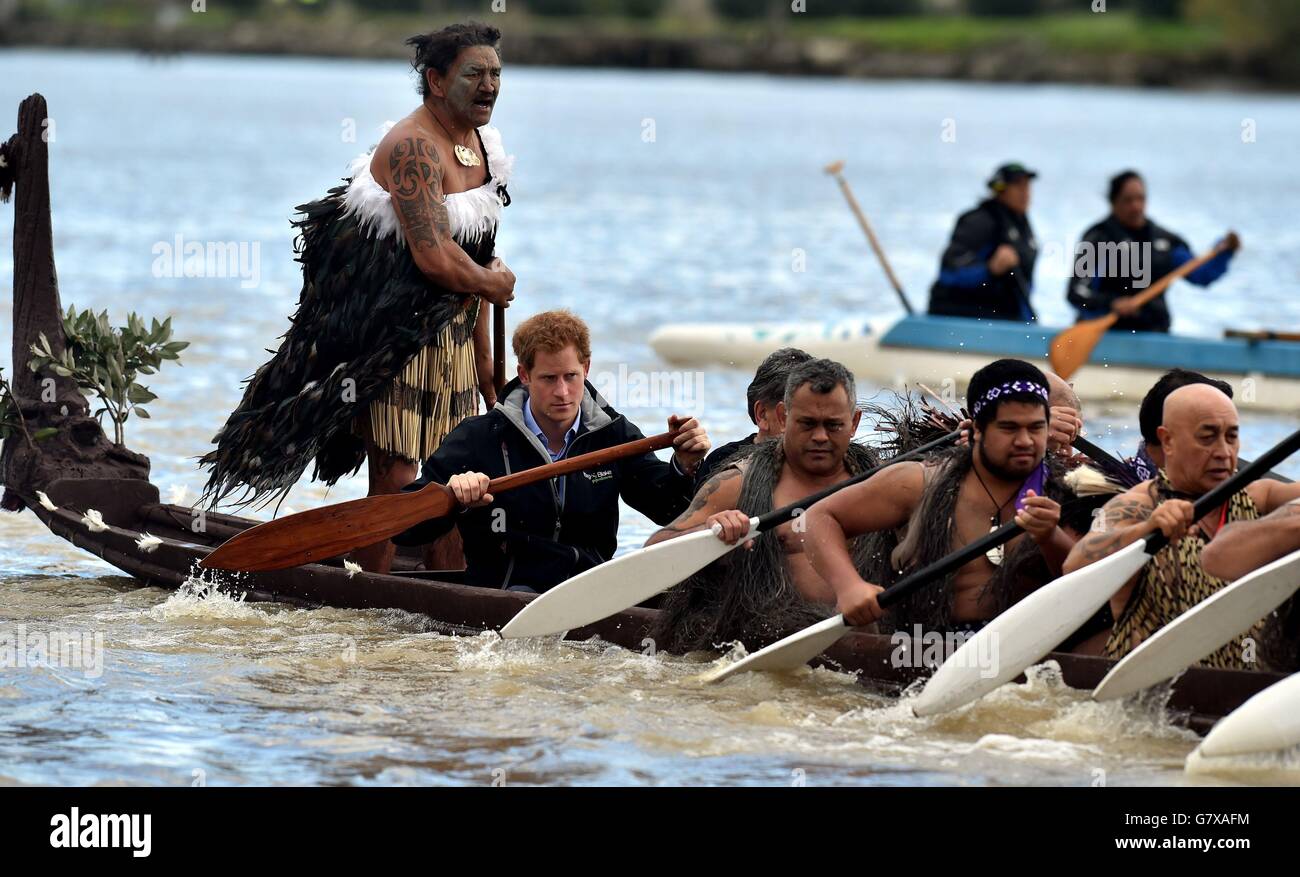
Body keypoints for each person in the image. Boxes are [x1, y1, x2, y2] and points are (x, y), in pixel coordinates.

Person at [200, 22, 517, 574]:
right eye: (475, 74)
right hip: (390, 335)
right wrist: (494, 284)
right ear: (436, 81)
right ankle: (374, 591)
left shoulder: (483, 143)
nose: (489, 85)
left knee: (455, 470)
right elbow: (434, 256)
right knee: (397, 469)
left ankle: (453, 590)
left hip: (454, 332)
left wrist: (487, 359)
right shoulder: (413, 147)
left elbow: (481, 249)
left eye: (495, 73)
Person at [392, 310, 710, 592]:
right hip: (504, 594)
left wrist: (684, 466)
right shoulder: (479, 437)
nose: (562, 392)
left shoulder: (613, 433)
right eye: (548, 378)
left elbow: (669, 511)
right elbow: (404, 529)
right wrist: (453, 498)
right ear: (525, 375)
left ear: (586, 368)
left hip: (587, 590)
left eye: (571, 376)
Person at [803, 359, 1076, 634]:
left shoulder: (1071, 492)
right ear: (976, 429)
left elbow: (1091, 582)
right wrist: (849, 586)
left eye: (1036, 428)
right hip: (924, 649)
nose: (1025, 441)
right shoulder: (919, 481)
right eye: (1009, 428)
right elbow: (819, 517)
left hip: (1023, 650)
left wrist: (1050, 537)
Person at [1062, 384, 1300, 669]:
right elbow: (1073, 568)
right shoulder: (1139, 505)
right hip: (1154, 693)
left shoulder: (1260, 496)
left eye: (1231, 437)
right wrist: (1147, 529)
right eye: (1207, 438)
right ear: (1168, 440)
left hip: (1245, 691)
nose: (1224, 452)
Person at [648, 359, 878, 652]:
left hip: (859, 643)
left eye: (833, 425)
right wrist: (707, 534)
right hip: (764, 643)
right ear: (784, 416)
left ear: (855, 422)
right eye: (807, 424)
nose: (820, 437)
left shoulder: (881, 483)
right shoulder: (736, 482)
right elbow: (653, 552)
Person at [1067, 170, 1240, 333]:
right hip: (1106, 334)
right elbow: (1076, 293)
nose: (1136, 206)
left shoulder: (1166, 243)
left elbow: (1201, 275)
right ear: (1113, 203)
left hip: (1153, 332)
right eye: (1128, 200)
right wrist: (1112, 303)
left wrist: (1223, 253)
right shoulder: (1096, 240)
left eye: (1140, 199)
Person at [928, 163, 1039, 323]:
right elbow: (948, 272)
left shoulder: (1022, 226)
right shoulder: (978, 222)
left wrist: (1031, 324)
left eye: (1027, 186)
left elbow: (1022, 288)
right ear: (1000, 190)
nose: (1025, 192)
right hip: (963, 318)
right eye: (1017, 186)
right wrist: (989, 269)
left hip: (1005, 319)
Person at [692, 347, 812, 488]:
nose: (820, 435)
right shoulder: (720, 464)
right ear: (762, 414)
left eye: (830, 423)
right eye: (804, 419)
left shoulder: (830, 463)